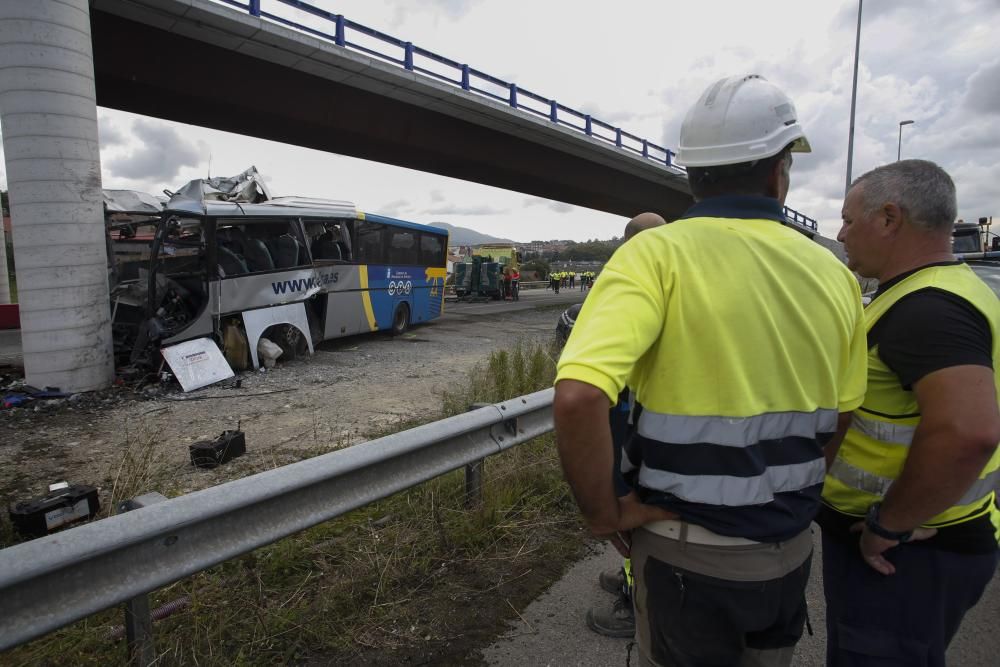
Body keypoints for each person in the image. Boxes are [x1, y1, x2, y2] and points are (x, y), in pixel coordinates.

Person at [553, 74, 867, 667]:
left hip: (685, 557)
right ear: (781, 170)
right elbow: (845, 409)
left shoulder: (655, 254)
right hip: (789, 549)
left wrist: (603, 513)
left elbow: (577, 398)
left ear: (692, 174)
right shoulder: (836, 276)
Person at [819, 159, 1000, 667]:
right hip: (922, 541)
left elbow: (968, 432)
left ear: (889, 218)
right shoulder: (938, 291)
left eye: (849, 219)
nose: (841, 233)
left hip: (902, 555)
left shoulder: (929, 311)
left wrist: (891, 524)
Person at [572, 212, 666, 639]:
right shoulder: (672, 276)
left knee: (625, 507)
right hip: (645, 415)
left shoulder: (629, 278)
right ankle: (635, 578)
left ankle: (637, 599)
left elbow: (584, 386)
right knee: (635, 507)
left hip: (626, 415)